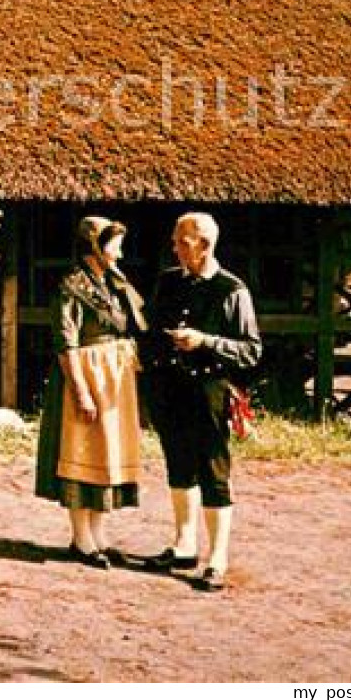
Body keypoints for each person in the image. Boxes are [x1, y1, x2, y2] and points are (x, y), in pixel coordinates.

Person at [141, 212, 262, 592]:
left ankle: (217, 558)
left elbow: (251, 350)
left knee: (213, 471)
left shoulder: (231, 290)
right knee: (178, 464)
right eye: (176, 240)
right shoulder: (167, 281)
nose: (174, 247)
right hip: (170, 389)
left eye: (182, 241)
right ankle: (184, 545)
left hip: (210, 391)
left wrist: (205, 341)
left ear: (205, 246)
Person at [34, 216, 147, 568]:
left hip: (114, 377)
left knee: (107, 454)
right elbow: (65, 344)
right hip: (88, 374)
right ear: (96, 246)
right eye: (115, 244)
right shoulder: (71, 286)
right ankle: (81, 538)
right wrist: (81, 390)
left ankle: (98, 535)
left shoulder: (114, 284)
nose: (121, 252)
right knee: (83, 450)